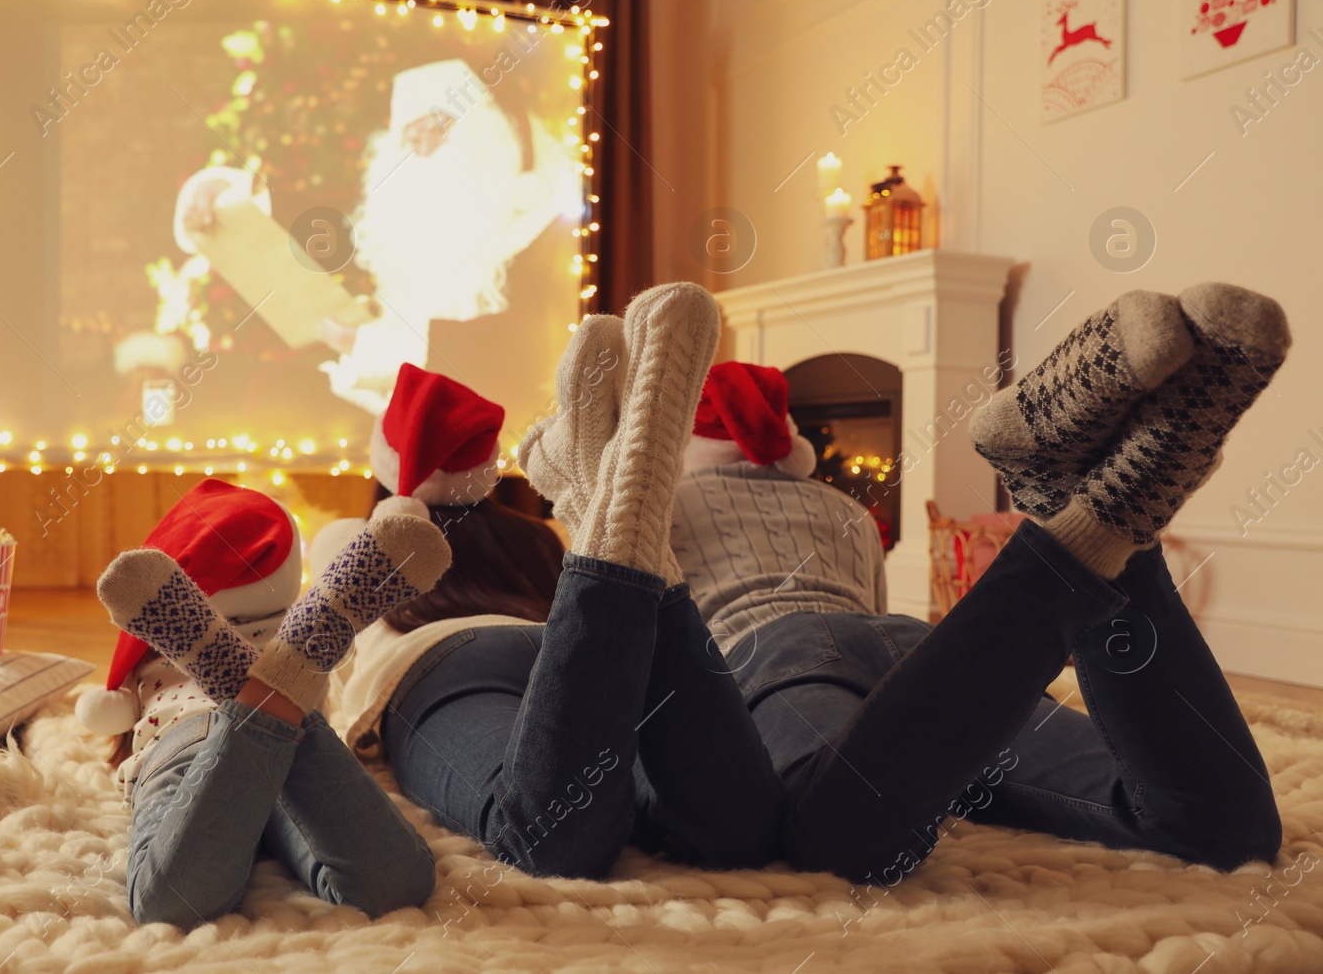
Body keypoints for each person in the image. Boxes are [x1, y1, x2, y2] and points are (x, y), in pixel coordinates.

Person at [669, 284, 1288, 886]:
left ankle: (1074, 518)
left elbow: (649, 643)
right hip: (916, 646)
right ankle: (1087, 514)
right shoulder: (844, 509)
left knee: (837, 834)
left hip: (777, 648)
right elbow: (870, 621)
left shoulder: (668, 502)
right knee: (1214, 829)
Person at [324, 287, 787, 879]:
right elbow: (585, 628)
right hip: (557, 657)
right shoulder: (539, 537)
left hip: (439, 667)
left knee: (548, 838)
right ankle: (613, 487)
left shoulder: (350, 534)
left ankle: (621, 487)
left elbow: (329, 652)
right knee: (737, 832)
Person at [85, 478, 448, 927]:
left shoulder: (154, 647)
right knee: (396, 886)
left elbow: (110, 713)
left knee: (173, 904)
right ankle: (280, 681)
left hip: (182, 732)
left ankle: (238, 677)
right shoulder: (288, 627)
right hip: (296, 744)